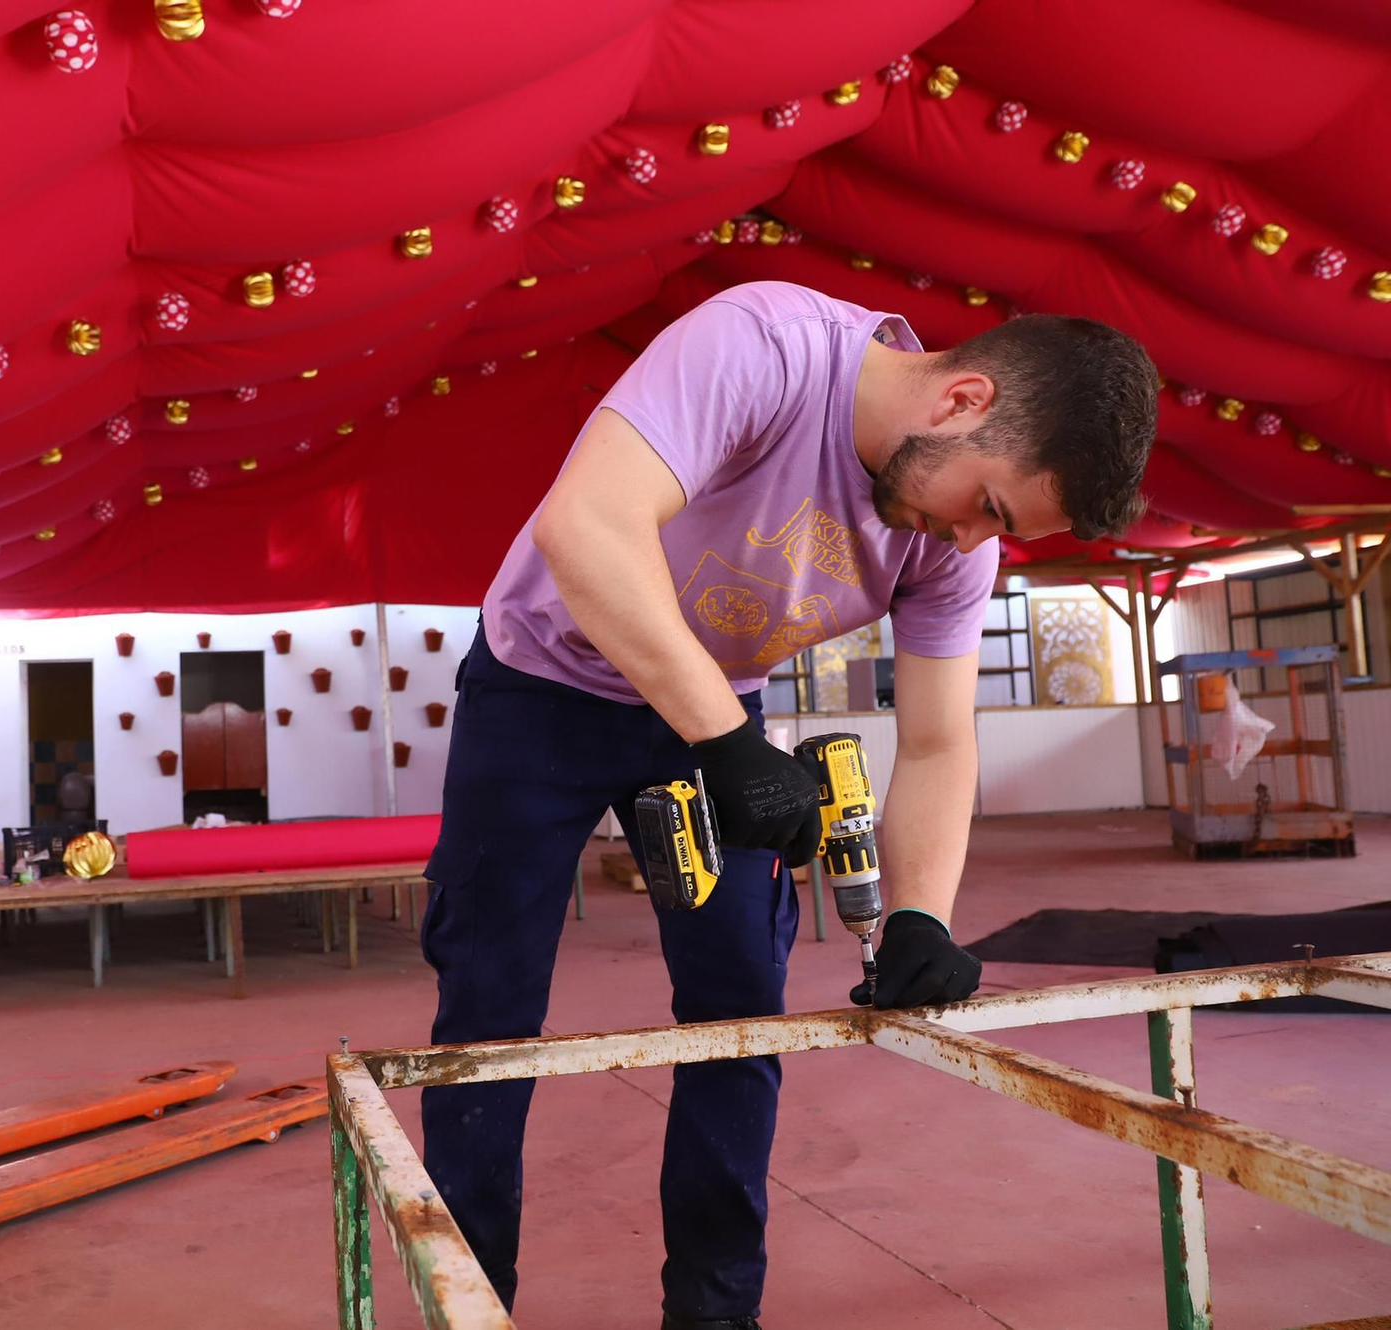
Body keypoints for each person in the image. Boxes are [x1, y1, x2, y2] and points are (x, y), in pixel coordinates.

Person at [420, 281, 1157, 1330]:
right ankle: (465, 1302)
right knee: (487, 1010)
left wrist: (919, 915)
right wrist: (724, 740)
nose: (965, 543)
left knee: (736, 1006)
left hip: (711, 706)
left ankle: (714, 1315)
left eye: (992, 531)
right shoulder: (764, 347)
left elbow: (942, 739)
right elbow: (585, 528)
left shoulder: (951, 542)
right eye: (986, 507)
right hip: (542, 682)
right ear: (959, 400)